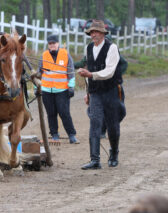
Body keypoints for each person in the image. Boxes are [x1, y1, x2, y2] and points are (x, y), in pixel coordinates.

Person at [78, 20, 126, 170]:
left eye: (96, 32)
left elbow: (110, 71)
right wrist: (87, 93)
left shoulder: (112, 48)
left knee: (112, 125)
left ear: (103, 33)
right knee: (95, 123)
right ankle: (95, 160)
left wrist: (91, 74)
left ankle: (114, 154)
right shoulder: (88, 48)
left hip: (111, 91)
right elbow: (87, 71)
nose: (94, 35)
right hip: (95, 93)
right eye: (91, 32)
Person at [74, 34, 128, 139]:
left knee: (120, 111)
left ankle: (110, 126)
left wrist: (116, 74)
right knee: (95, 111)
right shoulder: (91, 52)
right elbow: (82, 62)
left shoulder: (113, 51)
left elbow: (124, 64)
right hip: (96, 86)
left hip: (113, 86)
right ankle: (101, 130)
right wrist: (71, 64)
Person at [38, 34, 78, 144]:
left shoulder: (65, 54)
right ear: (48, 45)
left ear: (58, 44)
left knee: (64, 113)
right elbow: (39, 72)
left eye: (54, 43)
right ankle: (54, 134)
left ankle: (71, 135)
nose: (52, 45)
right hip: (47, 90)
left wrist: (71, 86)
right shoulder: (44, 55)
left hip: (62, 90)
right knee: (51, 113)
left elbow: (71, 72)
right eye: (50, 44)